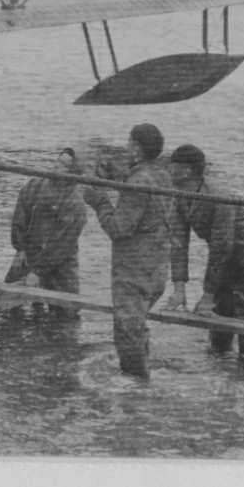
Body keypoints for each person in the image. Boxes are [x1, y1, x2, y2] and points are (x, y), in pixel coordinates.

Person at [82, 123, 173, 379]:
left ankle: (136, 390)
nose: (126, 148)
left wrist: (99, 201)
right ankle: (142, 378)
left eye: (129, 144)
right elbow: (138, 187)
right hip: (155, 268)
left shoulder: (139, 181)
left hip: (132, 271)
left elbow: (119, 228)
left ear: (137, 148)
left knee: (127, 330)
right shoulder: (162, 176)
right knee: (136, 325)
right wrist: (116, 174)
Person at [164, 144, 244, 357]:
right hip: (222, 256)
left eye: (172, 167)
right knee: (218, 324)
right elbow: (178, 242)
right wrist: (179, 288)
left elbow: (222, 246)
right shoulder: (180, 195)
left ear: (186, 171)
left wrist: (208, 294)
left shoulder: (218, 195)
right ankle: (218, 375)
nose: (168, 171)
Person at [8, 147, 88, 317]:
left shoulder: (75, 203)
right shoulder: (35, 186)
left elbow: (62, 244)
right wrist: (20, 248)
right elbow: (20, 216)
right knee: (5, 303)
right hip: (29, 253)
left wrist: (38, 271)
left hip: (60, 263)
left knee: (67, 314)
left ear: (73, 172)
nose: (57, 166)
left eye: (64, 165)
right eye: (58, 161)